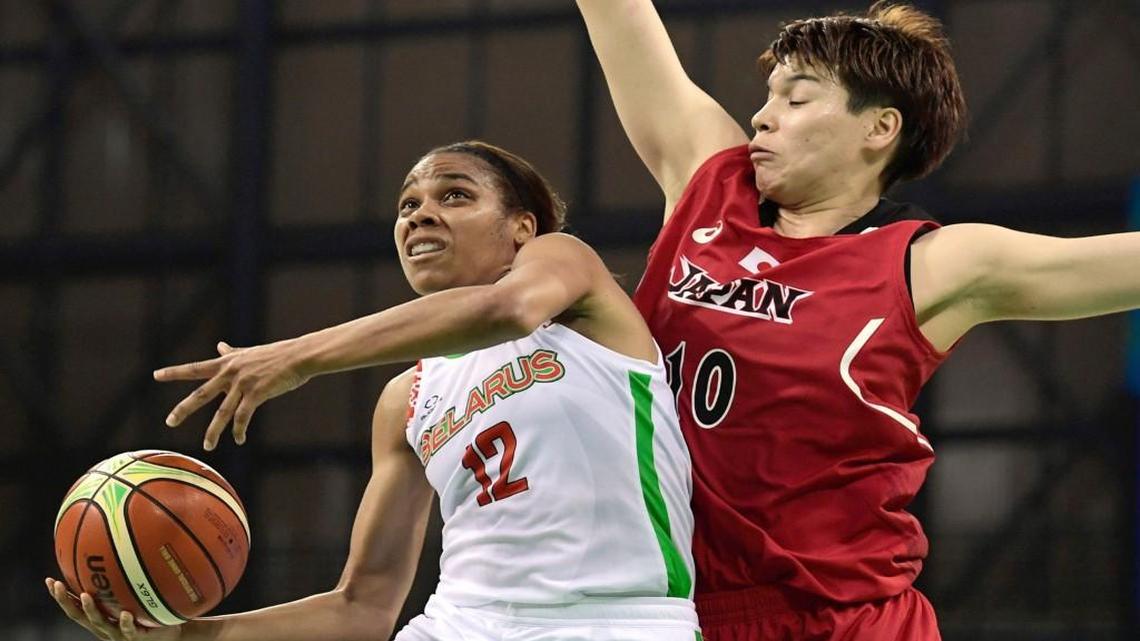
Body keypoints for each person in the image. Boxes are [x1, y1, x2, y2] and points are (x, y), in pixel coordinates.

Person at [575, 1, 1140, 639]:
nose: (762, 116)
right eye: (768, 95)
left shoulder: (930, 263)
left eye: (797, 99)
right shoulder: (710, 184)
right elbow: (616, 15)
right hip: (671, 611)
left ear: (879, 128)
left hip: (842, 619)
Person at [46, 141, 699, 641]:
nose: (420, 214)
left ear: (522, 227)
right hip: (460, 623)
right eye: (408, 205)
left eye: (455, 195)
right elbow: (362, 606)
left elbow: (509, 307)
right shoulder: (407, 398)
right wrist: (185, 634)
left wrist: (299, 355)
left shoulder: (568, 275)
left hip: (615, 619)